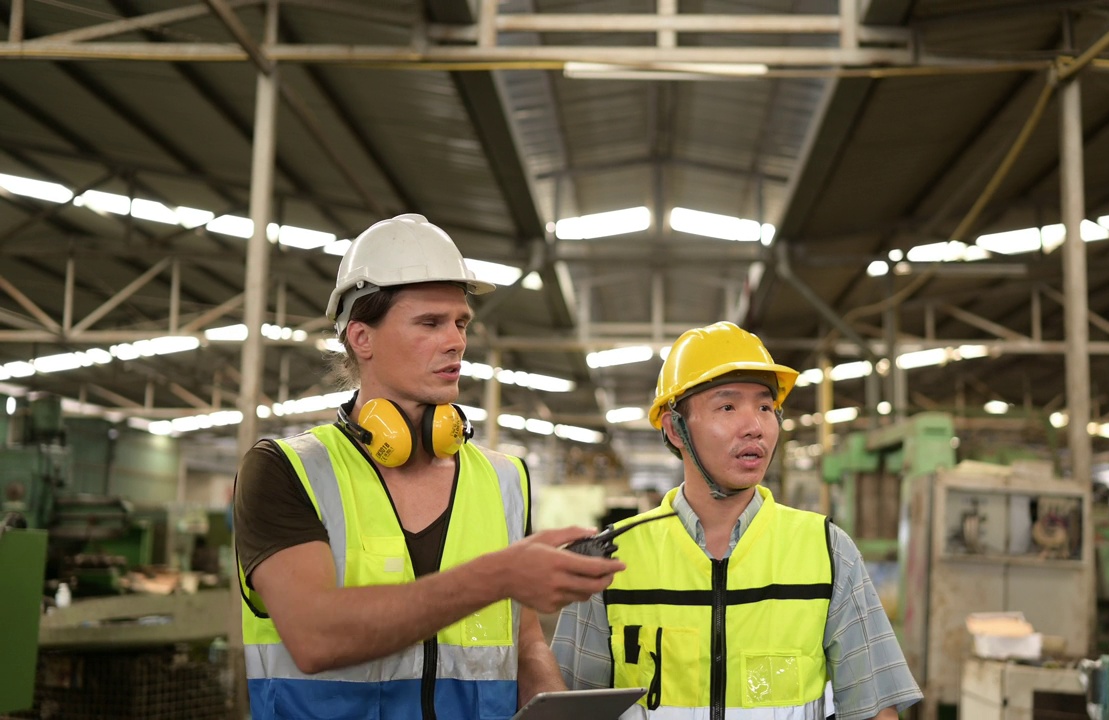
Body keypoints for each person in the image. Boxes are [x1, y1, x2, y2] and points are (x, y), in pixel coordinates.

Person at [234, 214, 625, 719]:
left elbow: (525, 643)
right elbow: (315, 637)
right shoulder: (288, 471)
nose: (456, 341)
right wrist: (500, 575)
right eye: (430, 323)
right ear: (361, 338)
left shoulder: (505, 478)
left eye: (460, 322)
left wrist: (558, 710)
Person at [552, 322, 922, 719]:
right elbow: (570, 707)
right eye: (728, 407)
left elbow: (875, 709)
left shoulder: (827, 551)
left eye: (765, 407)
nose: (755, 427)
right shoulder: (609, 560)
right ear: (675, 428)